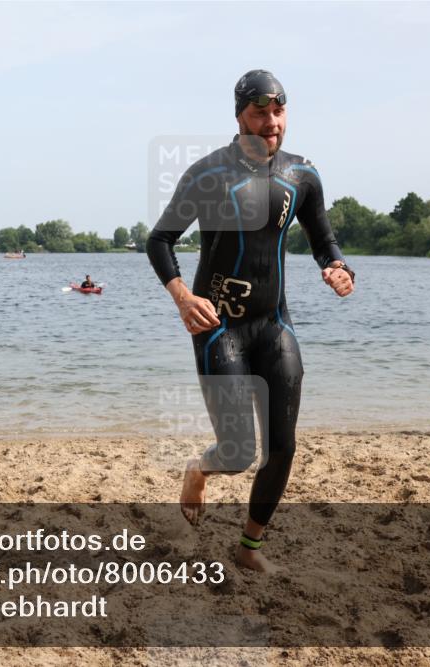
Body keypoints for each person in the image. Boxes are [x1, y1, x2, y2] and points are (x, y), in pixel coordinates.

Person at [147, 69, 354, 573]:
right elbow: (160, 240)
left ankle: (249, 549)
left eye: (279, 112)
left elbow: (324, 241)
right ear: (240, 115)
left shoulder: (303, 175)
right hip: (218, 328)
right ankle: (199, 467)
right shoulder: (208, 173)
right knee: (238, 452)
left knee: (282, 448)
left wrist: (338, 266)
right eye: (260, 113)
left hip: (274, 326)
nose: (271, 122)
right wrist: (182, 297)